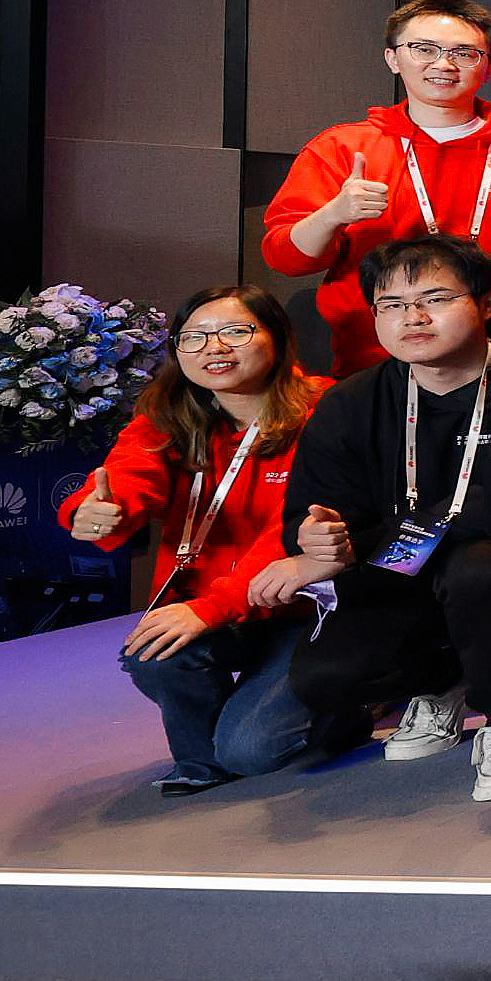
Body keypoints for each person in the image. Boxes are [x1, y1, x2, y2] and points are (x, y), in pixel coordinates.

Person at [275, 235, 491, 791]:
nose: (412, 318)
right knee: (326, 678)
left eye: (435, 299)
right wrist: (319, 541)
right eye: (391, 305)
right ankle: (445, 681)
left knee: (479, 568)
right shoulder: (353, 401)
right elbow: (313, 511)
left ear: (487, 303)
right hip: (400, 568)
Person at [61, 283, 319, 793]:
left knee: (251, 751)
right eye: (194, 337)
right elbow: (130, 475)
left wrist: (212, 607)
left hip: (309, 610)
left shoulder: (325, 409)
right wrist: (98, 511)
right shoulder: (170, 411)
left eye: (235, 332)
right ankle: (205, 756)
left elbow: (290, 530)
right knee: (153, 652)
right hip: (220, 608)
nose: (213, 348)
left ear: (278, 337)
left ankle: (355, 701)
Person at [261, 0, 491, 374]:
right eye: (424, 49)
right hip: (372, 361)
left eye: (465, 53)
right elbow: (286, 259)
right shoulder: (342, 147)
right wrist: (334, 214)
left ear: (488, 68)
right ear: (393, 59)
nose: (444, 64)